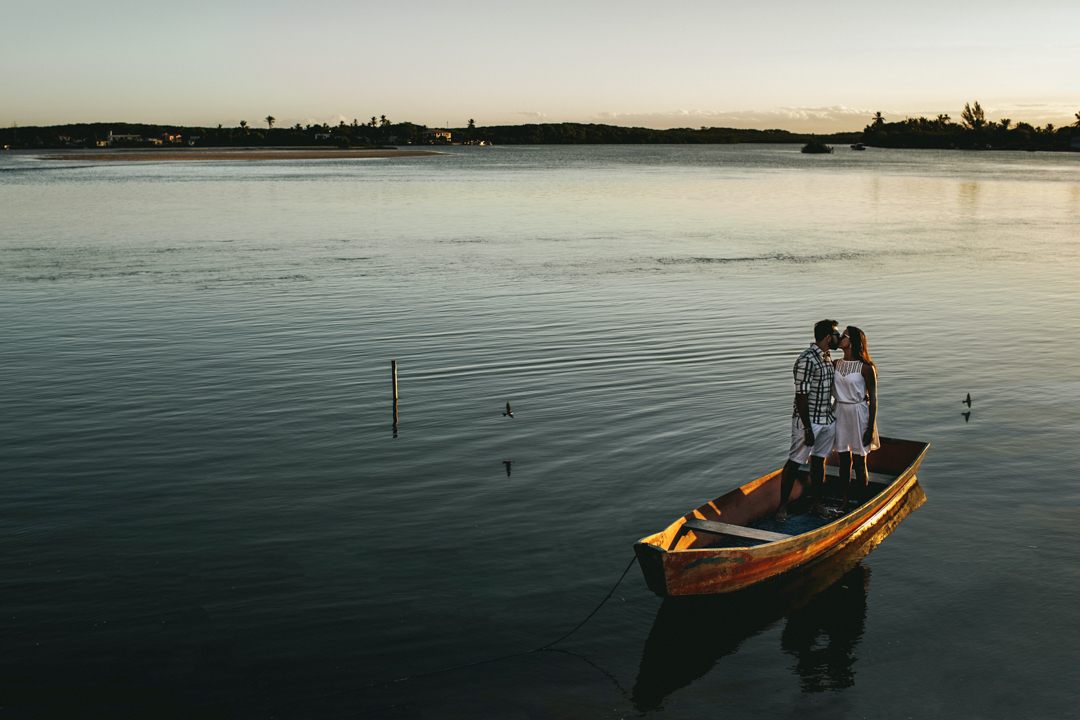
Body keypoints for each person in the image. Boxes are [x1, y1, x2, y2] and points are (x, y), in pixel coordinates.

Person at [775, 319, 840, 523]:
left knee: (819, 462)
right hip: (809, 421)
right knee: (795, 462)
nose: (838, 338)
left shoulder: (827, 358)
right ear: (828, 337)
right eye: (836, 334)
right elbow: (800, 397)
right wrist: (807, 428)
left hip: (826, 419)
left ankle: (816, 503)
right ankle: (782, 507)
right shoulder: (807, 360)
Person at [832, 326, 879, 511]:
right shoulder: (835, 364)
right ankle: (844, 502)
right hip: (840, 412)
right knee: (843, 461)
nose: (840, 339)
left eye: (843, 336)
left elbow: (873, 399)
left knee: (860, 463)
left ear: (851, 341)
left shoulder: (867, 367)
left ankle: (861, 504)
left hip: (859, 414)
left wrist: (870, 427)